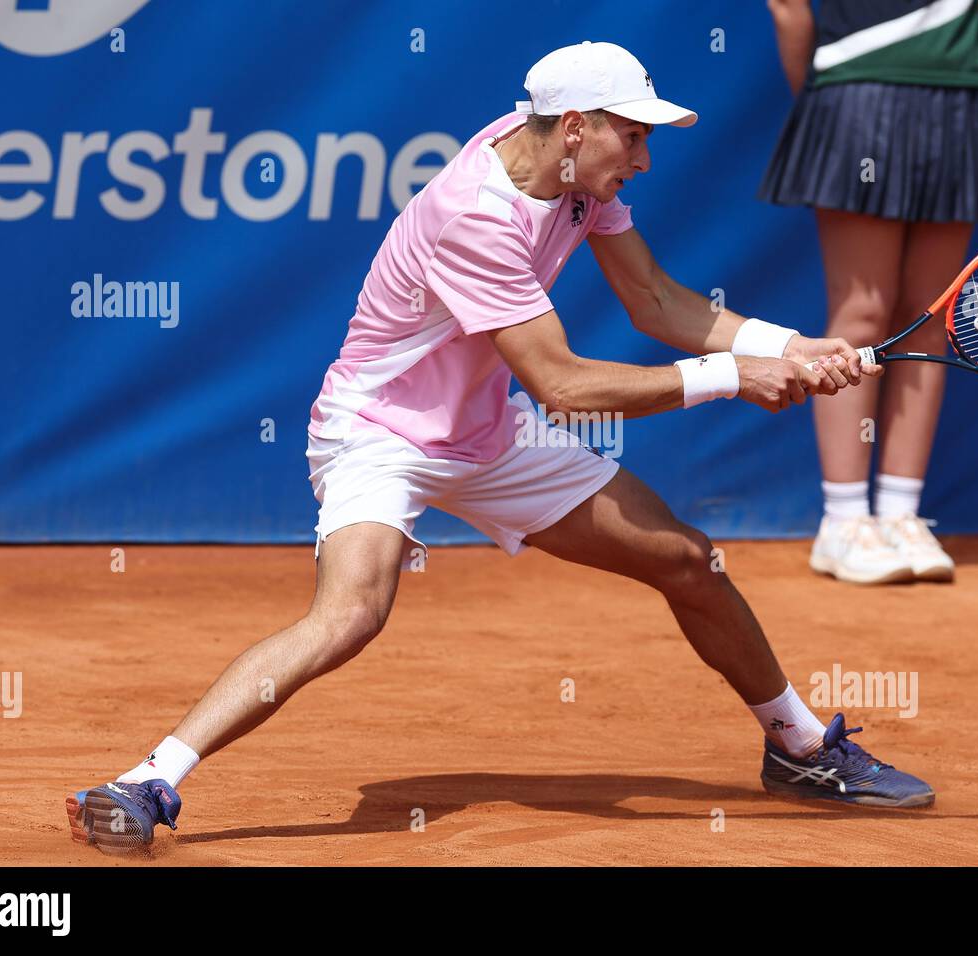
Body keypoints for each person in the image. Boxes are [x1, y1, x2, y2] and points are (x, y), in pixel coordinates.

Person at [66, 40, 933, 855]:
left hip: (484, 429)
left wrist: (786, 345)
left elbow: (658, 301)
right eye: (632, 137)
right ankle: (148, 781)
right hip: (381, 432)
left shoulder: (565, 167)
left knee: (686, 559)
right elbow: (563, 383)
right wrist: (729, 378)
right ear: (577, 129)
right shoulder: (472, 215)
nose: (643, 159)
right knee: (352, 614)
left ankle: (798, 745)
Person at [761, 0, 978, 584]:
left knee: (931, 318)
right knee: (862, 312)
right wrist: (825, 103)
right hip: (856, 95)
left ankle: (902, 514)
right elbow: (788, 9)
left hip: (960, 99)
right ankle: (844, 521)